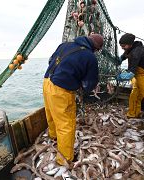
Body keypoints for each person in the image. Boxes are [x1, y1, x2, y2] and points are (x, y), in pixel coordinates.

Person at [43, 34, 103, 166]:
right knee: (66, 124)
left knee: (51, 114)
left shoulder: (65, 45)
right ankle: (64, 159)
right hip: (61, 90)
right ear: (96, 48)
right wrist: (84, 86)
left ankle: (53, 137)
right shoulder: (90, 57)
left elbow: (51, 60)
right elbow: (89, 84)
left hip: (47, 81)